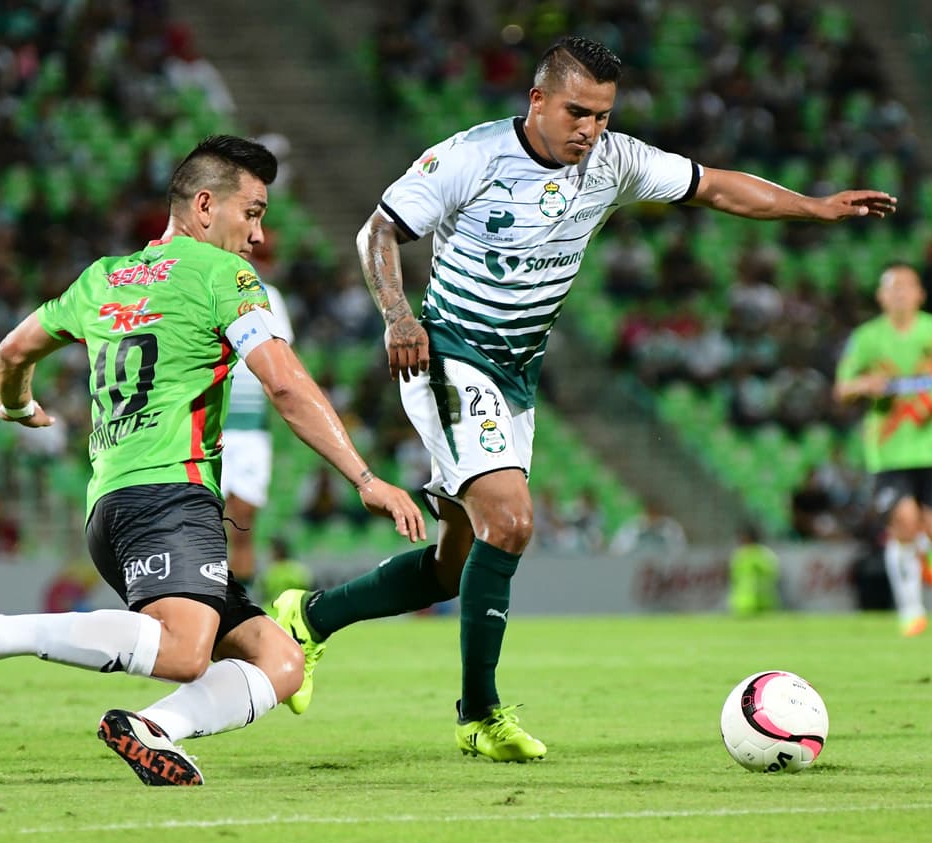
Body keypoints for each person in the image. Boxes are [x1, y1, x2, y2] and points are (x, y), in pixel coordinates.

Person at [272, 36, 897, 761]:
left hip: (517, 372)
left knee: (454, 563)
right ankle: (480, 713)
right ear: (537, 100)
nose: (589, 129)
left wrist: (814, 208)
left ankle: (309, 618)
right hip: (448, 352)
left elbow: (717, 185)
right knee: (510, 520)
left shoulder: (615, 160)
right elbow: (379, 229)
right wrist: (397, 314)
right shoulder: (470, 157)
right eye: (577, 111)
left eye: (602, 115)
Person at [0, 135, 426, 786]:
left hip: (109, 508)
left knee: (281, 659)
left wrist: (18, 405)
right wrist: (364, 478)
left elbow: (12, 351)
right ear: (205, 206)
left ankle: (154, 728)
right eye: (252, 212)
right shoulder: (221, 276)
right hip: (171, 493)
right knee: (184, 651)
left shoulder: (101, 279)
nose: (258, 234)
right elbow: (283, 383)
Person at [834, 263, 932, 637]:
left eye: (906, 286)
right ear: (880, 297)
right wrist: (865, 384)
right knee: (904, 524)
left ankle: (930, 549)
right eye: (891, 287)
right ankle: (911, 610)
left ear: (919, 294)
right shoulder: (866, 337)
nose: (898, 293)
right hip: (888, 451)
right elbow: (842, 389)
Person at [220, 280, 293, 591]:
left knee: (244, 524)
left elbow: (282, 349)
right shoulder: (202, 283)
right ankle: (210, 600)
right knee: (209, 522)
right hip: (211, 423)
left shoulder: (268, 293)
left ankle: (241, 600)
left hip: (252, 431)